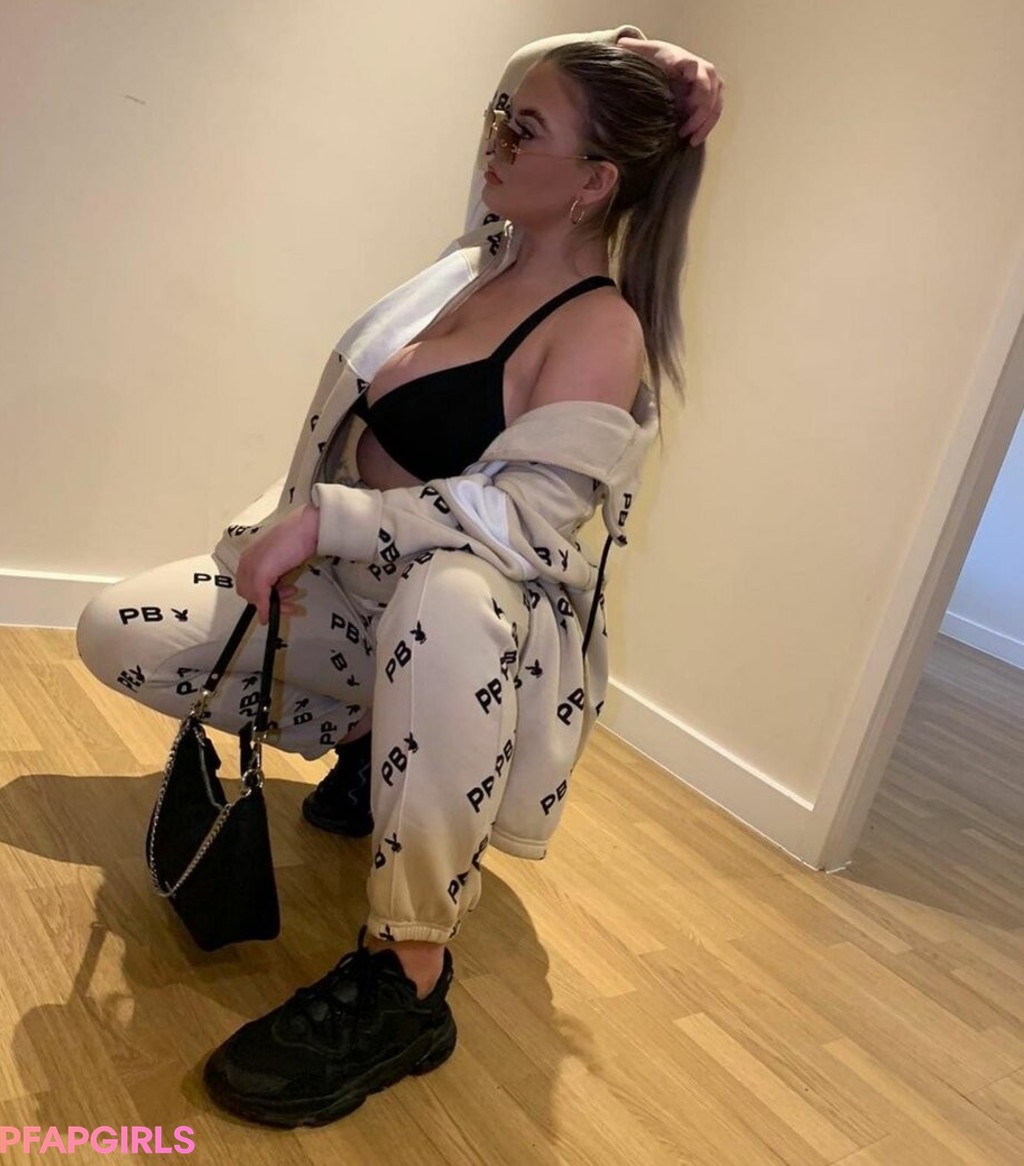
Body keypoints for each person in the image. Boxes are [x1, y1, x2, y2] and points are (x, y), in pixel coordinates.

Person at [75, 24, 722, 1129]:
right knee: (120, 628)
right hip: (354, 596)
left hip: (471, 635)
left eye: (525, 129)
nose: (495, 139)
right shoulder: (477, 261)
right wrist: (612, 52)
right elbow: (530, 83)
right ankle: (377, 744)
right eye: (498, 115)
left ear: (594, 183)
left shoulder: (600, 332)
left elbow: (519, 524)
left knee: (449, 596)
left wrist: (328, 518)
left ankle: (407, 978)